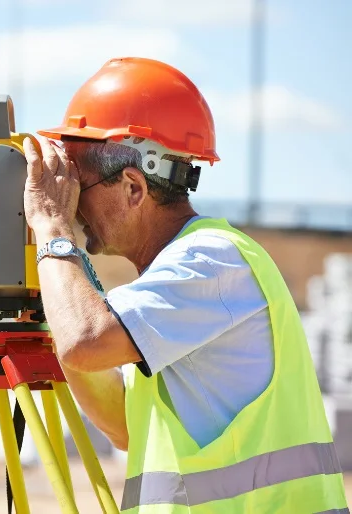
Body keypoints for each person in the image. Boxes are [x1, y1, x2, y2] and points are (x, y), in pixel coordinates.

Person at [22, 57, 348, 513]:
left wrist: (51, 228)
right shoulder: (165, 293)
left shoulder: (212, 261)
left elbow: (86, 340)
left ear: (134, 189)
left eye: (80, 186)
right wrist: (56, 303)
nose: (71, 204)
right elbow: (123, 427)